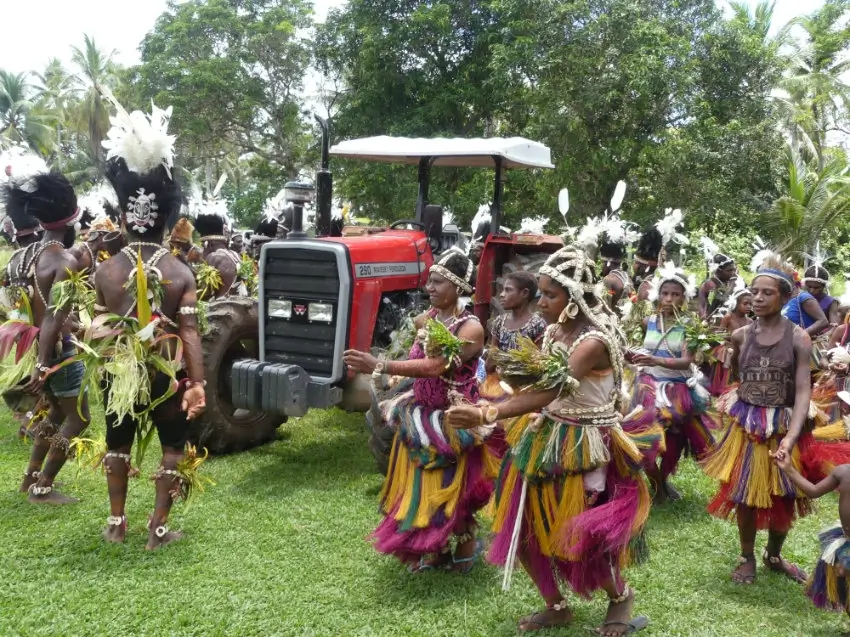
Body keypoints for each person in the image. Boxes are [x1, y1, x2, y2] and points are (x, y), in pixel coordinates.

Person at [447, 246, 659, 636]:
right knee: (522, 526)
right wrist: (489, 389)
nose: (541, 301)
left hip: (586, 443)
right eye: (540, 293)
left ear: (575, 297)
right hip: (545, 434)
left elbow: (550, 390)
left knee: (579, 533)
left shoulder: (593, 340)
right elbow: (538, 388)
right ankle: (555, 604)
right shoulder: (553, 332)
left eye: (549, 294)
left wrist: (487, 413)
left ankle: (620, 597)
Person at [96, 94, 206, 549]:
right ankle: (157, 530)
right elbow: (191, 333)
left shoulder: (106, 269)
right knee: (171, 446)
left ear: (124, 217)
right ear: (169, 219)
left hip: (117, 373)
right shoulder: (180, 272)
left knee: (117, 442)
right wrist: (197, 383)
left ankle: (116, 524)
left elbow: (100, 327)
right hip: (165, 374)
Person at [343, 250, 495, 573]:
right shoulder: (427, 319)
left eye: (438, 282)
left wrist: (381, 363)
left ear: (458, 287)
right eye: (430, 281)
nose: (431, 287)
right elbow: (418, 355)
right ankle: (435, 548)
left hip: (452, 419)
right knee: (422, 482)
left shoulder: (471, 329)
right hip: (420, 414)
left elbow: (435, 366)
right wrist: (396, 374)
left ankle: (466, 544)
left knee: (452, 483)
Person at [704, 250, 814, 585]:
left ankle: (774, 554)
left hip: (785, 425)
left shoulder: (798, 337)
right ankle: (746, 556)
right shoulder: (740, 336)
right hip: (749, 426)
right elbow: (739, 376)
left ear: (785, 297)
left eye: (768, 292)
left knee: (786, 492)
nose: (758, 298)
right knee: (744, 491)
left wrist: (791, 438)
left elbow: (802, 390)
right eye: (754, 291)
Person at [1, 162, 90, 504]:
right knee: (79, 418)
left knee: (55, 413)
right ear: (70, 222)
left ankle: (29, 479)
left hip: (33, 348)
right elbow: (52, 315)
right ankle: (43, 487)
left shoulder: (19, 258)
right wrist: (43, 362)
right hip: (55, 352)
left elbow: (18, 307)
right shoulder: (62, 259)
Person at [629, 263, 715, 503]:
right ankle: (656, 483)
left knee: (673, 439)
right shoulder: (648, 322)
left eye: (675, 294)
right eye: (665, 293)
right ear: (658, 294)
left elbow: (687, 360)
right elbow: (639, 348)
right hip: (646, 386)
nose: (669, 298)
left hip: (677, 391)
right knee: (643, 437)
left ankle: (663, 480)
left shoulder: (691, 326)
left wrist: (654, 359)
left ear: (683, 298)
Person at [773, 455, 850, 625]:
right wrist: (788, 468)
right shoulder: (843, 471)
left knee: (843, 575)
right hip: (846, 541)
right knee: (841, 582)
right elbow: (814, 491)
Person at [481, 271, 547, 400]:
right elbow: (491, 358)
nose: (502, 294)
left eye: (508, 290)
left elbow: (537, 364)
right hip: (498, 384)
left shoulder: (537, 325)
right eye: (503, 290)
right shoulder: (500, 322)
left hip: (524, 389)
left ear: (525, 293)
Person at [710, 285, 754, 396]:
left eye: (750, 304)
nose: (748, 307)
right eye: (745, 304)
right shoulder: (728, 317)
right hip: (728, 346)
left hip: (742, 348)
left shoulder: (750, 321)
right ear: (735, 304)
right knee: (728, 352)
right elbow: (720, 333)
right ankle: (726, 385)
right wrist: (731, 338)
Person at [193, 201, 241, 298]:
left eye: (203, 245)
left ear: (209, 244)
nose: (203, 249)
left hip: (219, 309)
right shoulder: (236, 255)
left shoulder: (213, 258)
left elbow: (203, 294)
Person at [698, 252, 738, 321]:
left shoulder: (727, 281)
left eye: (734, 270)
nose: (733, 273)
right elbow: (723, 300)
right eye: (729, 270)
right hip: (712, 320)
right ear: (718, 271)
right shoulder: (710, 284)